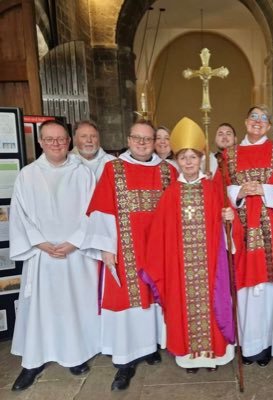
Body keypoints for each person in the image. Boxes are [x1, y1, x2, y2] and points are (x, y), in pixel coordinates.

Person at [81, 120, 177, 391]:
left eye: (148, 139)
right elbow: (101, 208)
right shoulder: (113, 169)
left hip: (158, 248)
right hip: (125, 247)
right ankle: (125, 360)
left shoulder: (168, 170)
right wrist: (106, 248)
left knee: (153, 295)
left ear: (154, 141)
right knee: (127, 298)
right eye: (138, 138)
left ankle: (149, 347)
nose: (143, 143)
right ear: (129, 139)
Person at [142, 117, 238, 373]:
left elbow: (226, 218)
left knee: (212, 304)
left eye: (193, 157)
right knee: (183, 308)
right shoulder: (171, 193)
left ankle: (213, 356)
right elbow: (160, 233)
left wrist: (229, 219)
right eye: (183, 158)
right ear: (177, 161)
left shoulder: (212, 188)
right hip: (181, 267)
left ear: (201, 160)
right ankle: (189, 357)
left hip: (210, 266)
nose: (188, 162)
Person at [9, 120, 100, 391]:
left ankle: (76, 354)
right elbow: (20, 215)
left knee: (75, 306)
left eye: (61, 139)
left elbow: (93, 210)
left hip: (76, 254)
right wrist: (40, 243)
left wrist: (74, 241)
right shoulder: (27, 174)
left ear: (69, 141)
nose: (56, 144)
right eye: (50, 140)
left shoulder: (83, 173)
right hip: (43, 257)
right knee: (42, 310)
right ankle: (34, 361)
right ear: (40, 143)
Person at [222, 105, 273, 367]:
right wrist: (238, 193)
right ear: (245, 121)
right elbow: (222, 187)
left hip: (270, 227)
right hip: (241, 228)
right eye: (254, 116)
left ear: (270, 126)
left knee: (270, 286)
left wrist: (263, 190)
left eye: (264, 118)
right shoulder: (230, 154)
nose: (258, 121)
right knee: (245, 286)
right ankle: (247, 345)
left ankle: (267, 345)